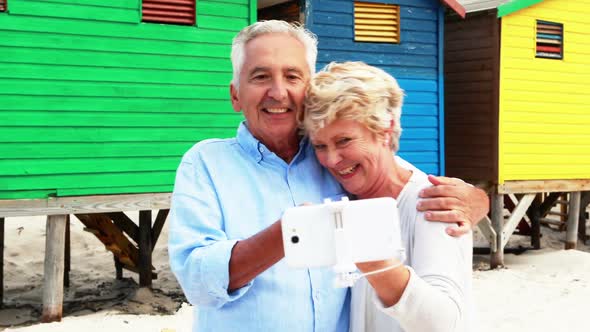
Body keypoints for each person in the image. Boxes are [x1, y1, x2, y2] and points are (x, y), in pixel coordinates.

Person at [168, 20, 487, 332]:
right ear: (235, 94)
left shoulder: (332, 160)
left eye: (292, 76)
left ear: (308, 91)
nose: (278, 92)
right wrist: (291, 233)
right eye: (261, 76)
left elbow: (391, 172)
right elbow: (197, 282)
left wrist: (476, 199)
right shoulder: (205, 164)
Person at [303, 61, 472, 331]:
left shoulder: (432, 203)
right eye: (320, 146)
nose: (332, 160)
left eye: (344, 141)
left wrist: (359, 248)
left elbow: (444, 322)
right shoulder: (341, 195)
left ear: (386, 129)